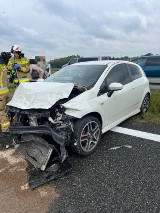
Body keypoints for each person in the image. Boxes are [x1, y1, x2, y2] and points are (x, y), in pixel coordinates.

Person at [0, 52, 11, 134]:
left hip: (1, 94)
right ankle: (10, 125)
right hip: (6, 92)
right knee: (7, 110)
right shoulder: (3, 66)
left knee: (1, 112)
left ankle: (5, 130)